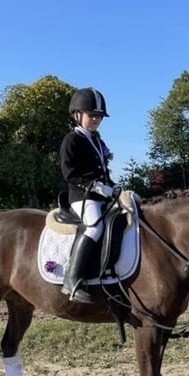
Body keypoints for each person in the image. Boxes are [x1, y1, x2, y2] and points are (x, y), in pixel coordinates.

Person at [59, 87, 119, 304]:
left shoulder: (97, 140)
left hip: (100, 195)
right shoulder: (71, 140)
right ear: (77, 115)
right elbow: (70, 173)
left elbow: (102, 170)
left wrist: (113, 186)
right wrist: (94, 186)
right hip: (81, 197)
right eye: (92, 115)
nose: (96, 120)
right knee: (95, 226)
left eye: (99, 117)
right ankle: (72, 279)